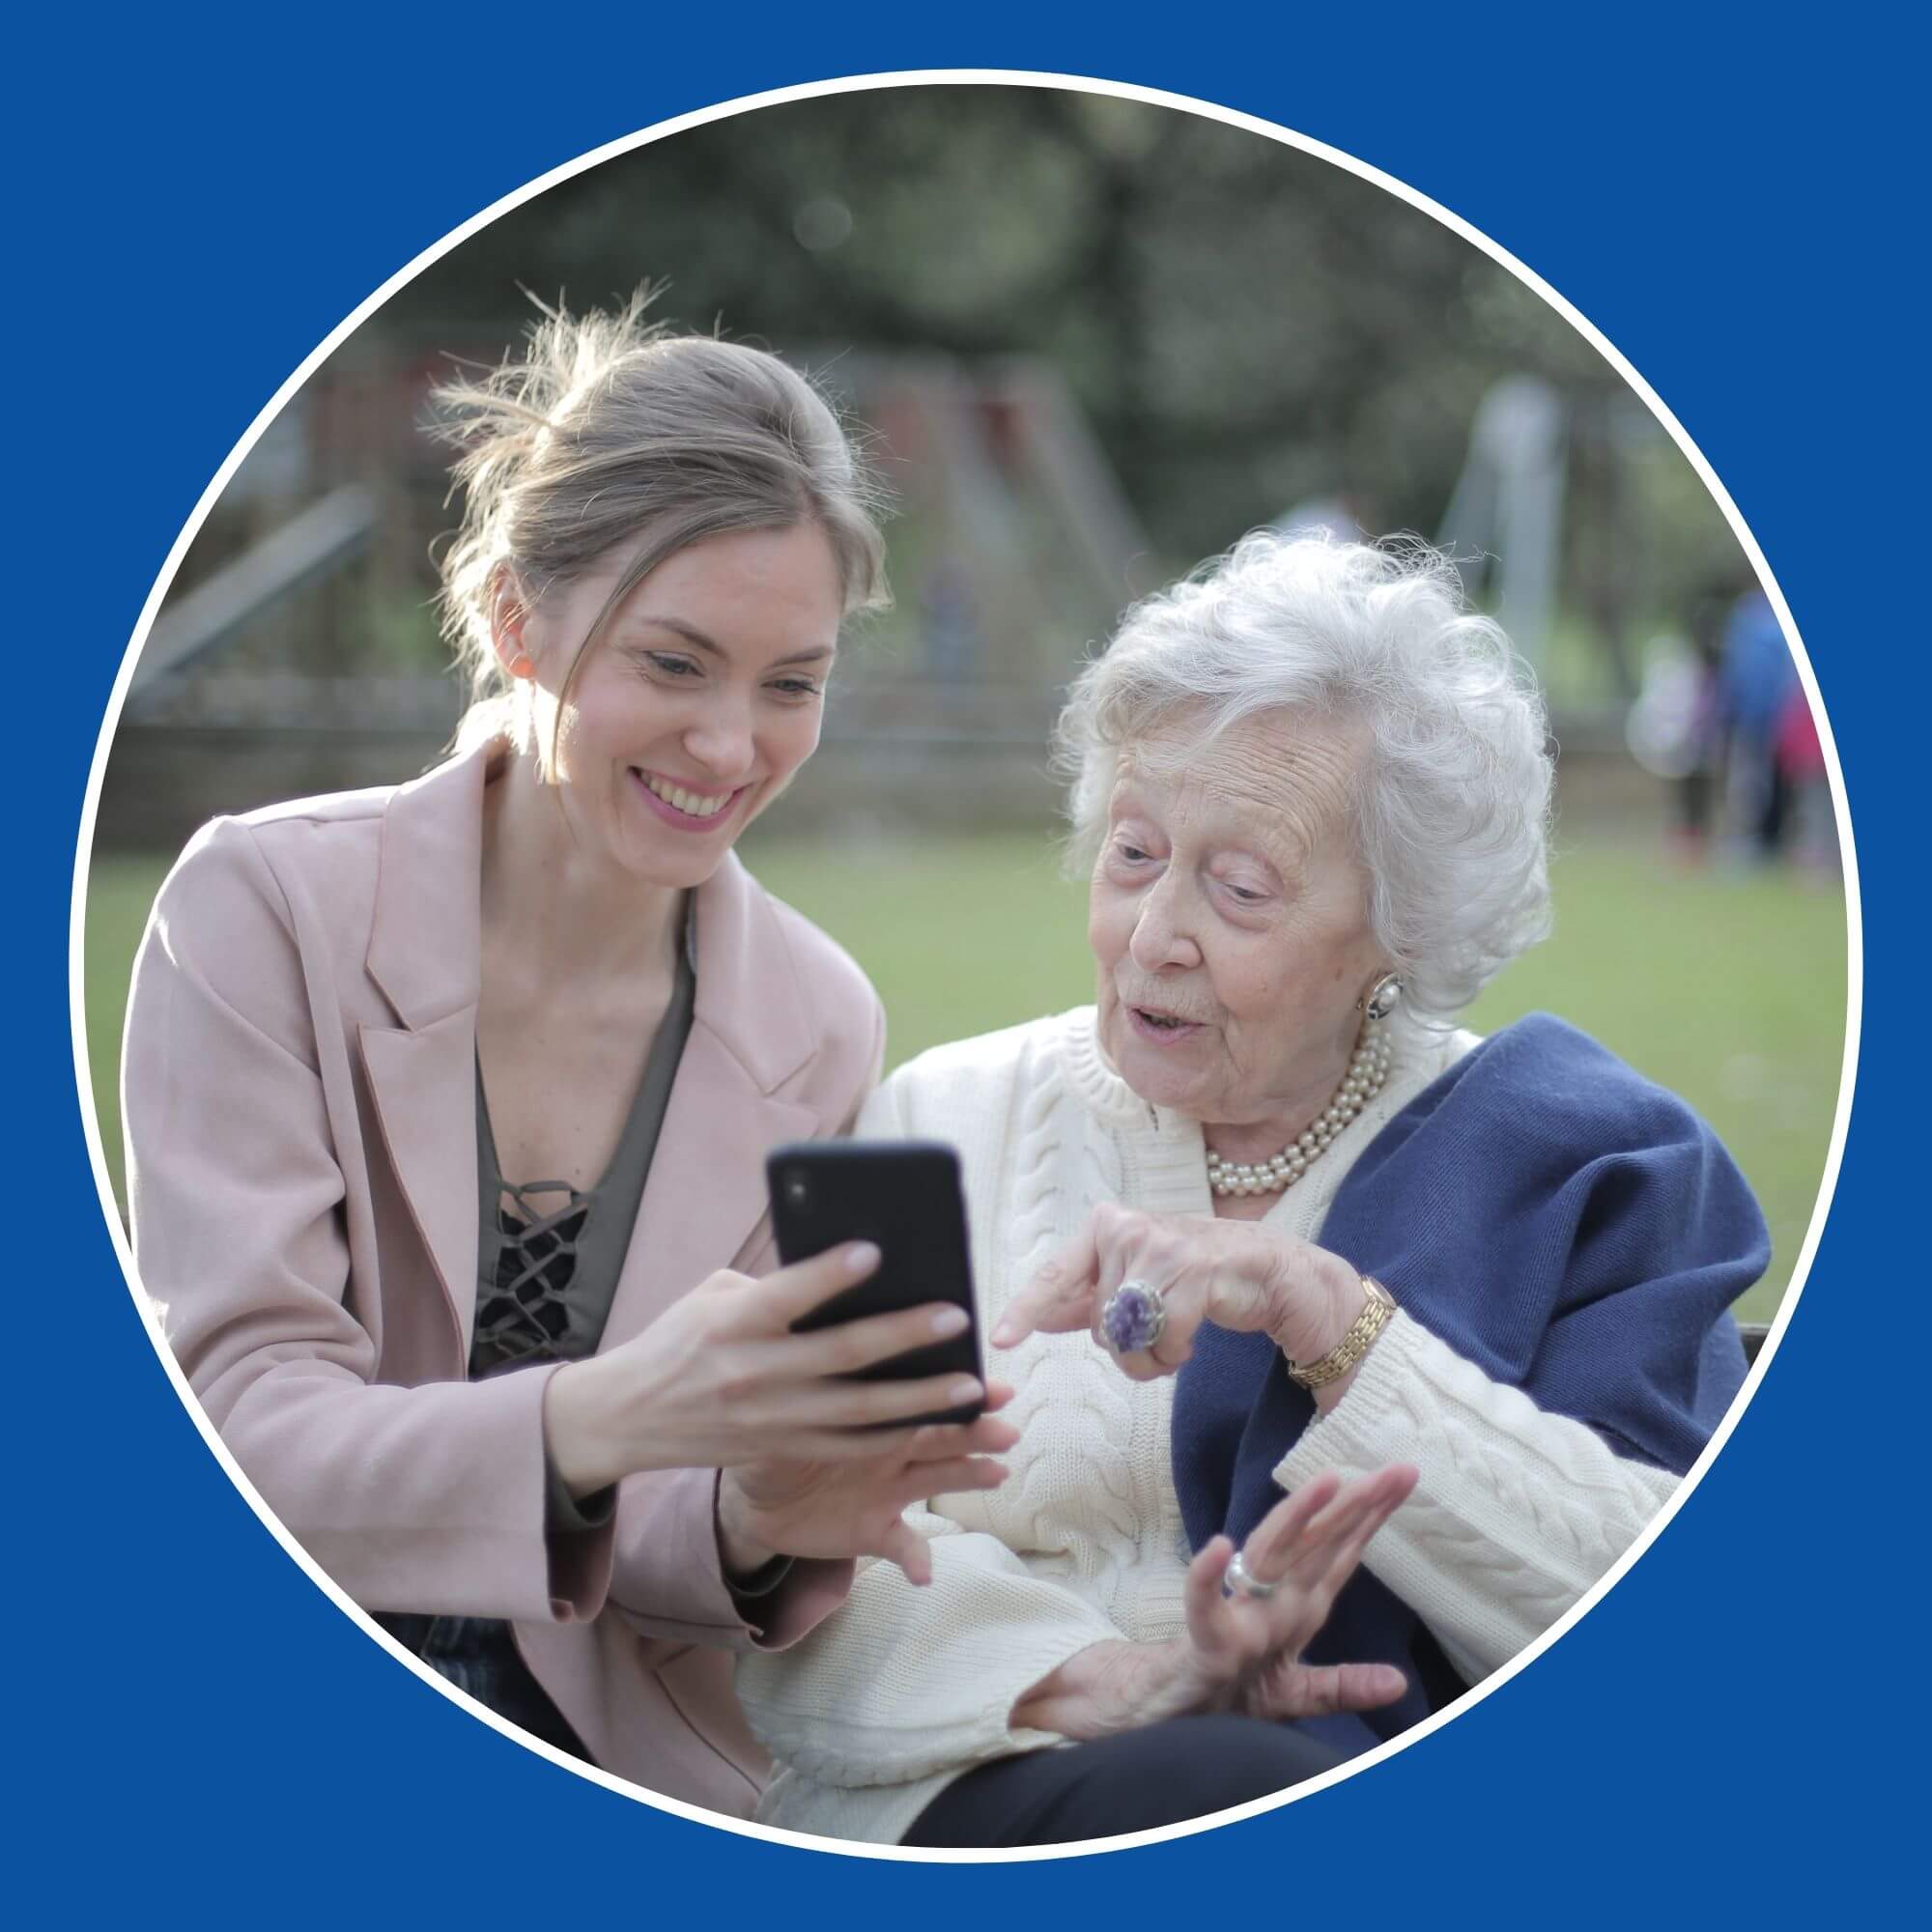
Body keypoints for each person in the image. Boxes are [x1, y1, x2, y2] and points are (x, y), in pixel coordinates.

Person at [121, 295, 1016, 1819]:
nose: (732, 747)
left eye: (790, 683)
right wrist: (608, 1412)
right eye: (674, 665)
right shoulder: (258, 905)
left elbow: (656, 1553)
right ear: (511, 617)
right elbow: (240, 1442)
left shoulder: (817, 1016)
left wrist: (763, 1507)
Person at [736, 532, 1765, 1847]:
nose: (1154, 934)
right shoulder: (941, 1120)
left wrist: (1331, 1321)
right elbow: (800, 1557)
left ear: (1401, 928)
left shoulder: (1573, 1162)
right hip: (971, 1799)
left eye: (1239, 888)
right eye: (1132, 853)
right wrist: (1114, 1682)